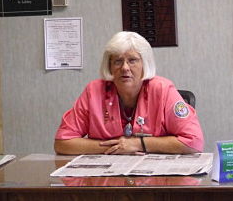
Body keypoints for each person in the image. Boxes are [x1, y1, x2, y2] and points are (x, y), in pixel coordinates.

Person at [54, 31, 204, 155]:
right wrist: (118, 147)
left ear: (145, 64)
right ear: (110, 66)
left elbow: (194, 142)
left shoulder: (163, 90)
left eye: (132, 60)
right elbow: (62, 143)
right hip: (107, 182)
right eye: (118, 61)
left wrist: (139, 144)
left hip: (157, 181)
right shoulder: (93, 91)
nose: (125, 67)